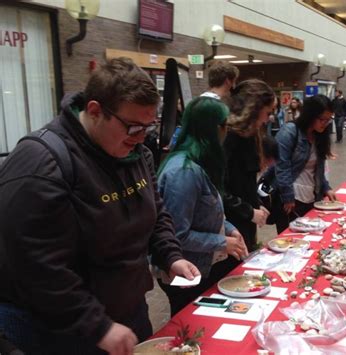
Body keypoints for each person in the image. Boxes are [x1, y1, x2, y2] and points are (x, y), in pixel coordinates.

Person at [0, 58, 200, 354]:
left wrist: (170, 255)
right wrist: (97, 325)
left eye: (148, 126)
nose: (142, 138)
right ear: (94, 111)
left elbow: (155, 212)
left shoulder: (136, 153)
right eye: (134, 127)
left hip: (127, 316)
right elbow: (35, 265)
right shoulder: (42, 163)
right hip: (64, 331)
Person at [156, 97, 248, 316]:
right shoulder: (183, 172)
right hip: (188, 271)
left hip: (202, 265)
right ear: (215, 129)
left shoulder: (197, 163)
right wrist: (221, 242)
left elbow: (207, 212)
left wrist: (230, 229)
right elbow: (177, 235)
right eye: (226, 126)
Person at [271, 95, 337, 233]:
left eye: (328, 119)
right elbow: (282, 167)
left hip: (311, 196)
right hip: (291, 198)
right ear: (310, 115)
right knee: (290, 239)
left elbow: (318, 169)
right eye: (322, 119)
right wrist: (287, 197)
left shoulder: (320, 136)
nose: (325, 124)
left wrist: (326, 188)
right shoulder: (290, 131)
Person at [223, 79, 275, 253]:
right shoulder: (229, 137)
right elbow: (219, 188)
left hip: (243, 221)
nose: (268, 119)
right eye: (267, 113)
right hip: (231, 225)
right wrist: (250, 211)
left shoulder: (250, 135)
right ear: (254, 109)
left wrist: (256, 204)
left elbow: (246, 183)